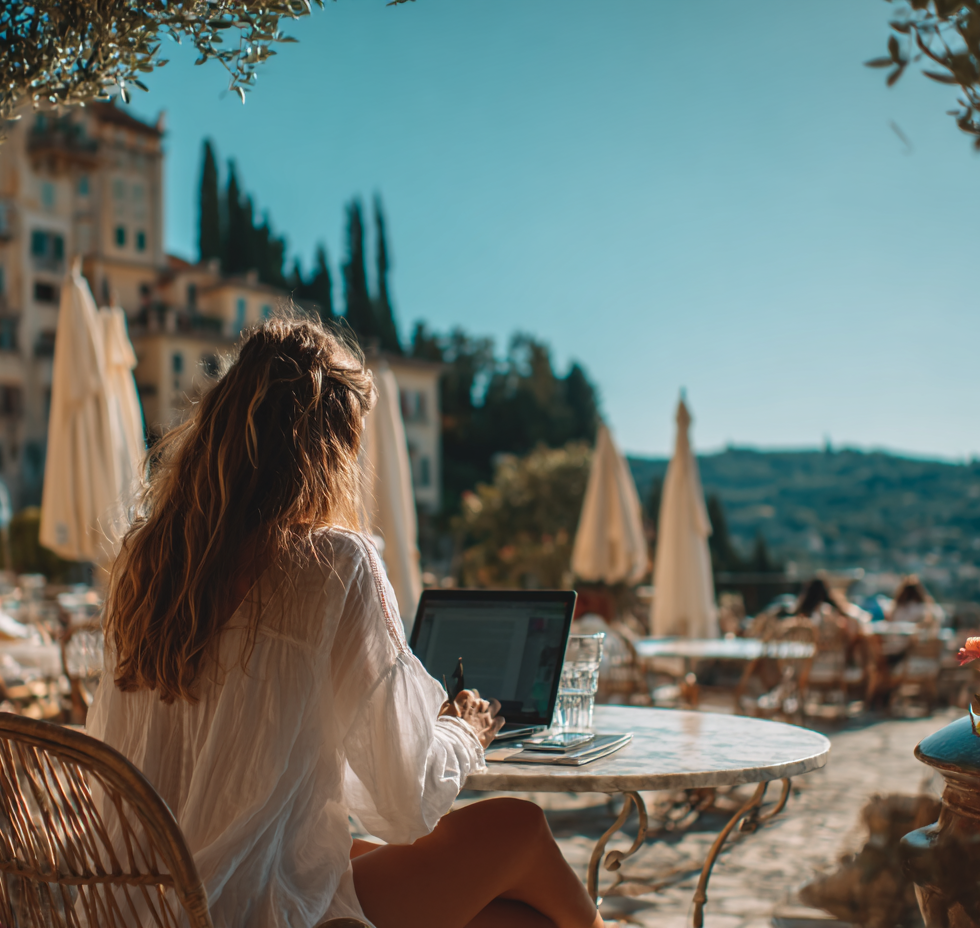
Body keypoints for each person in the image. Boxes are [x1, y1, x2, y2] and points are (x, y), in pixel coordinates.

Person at [89, 316, 605, 928]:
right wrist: (465, 731)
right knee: (517, 827)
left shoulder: (148, 562)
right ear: (326, 449)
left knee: (517, 919)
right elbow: (404, 802)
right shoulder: (333, 563)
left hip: (133, 900)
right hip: (243, 907)